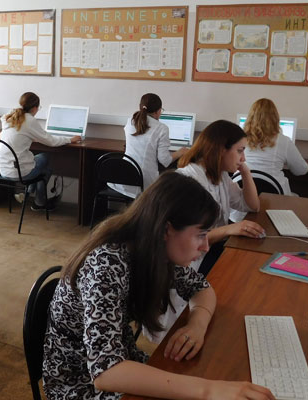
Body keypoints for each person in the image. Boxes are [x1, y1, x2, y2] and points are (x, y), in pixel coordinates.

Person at [43, 171, 274, 400]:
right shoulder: (106, 264)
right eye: (200, 235)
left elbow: (201, 288)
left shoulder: (151, 249)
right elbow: (106, 372)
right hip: (80, 385)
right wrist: (209, 390)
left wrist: (197, 325)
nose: (205, 246)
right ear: (166, 229)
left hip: (123, 362)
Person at [143, 121, 265, 344]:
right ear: (220, 150)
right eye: (240, 151)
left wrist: (245, 171)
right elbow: (181, 239)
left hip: (204, 252)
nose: (243, 157)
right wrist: (229, 228)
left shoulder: (219, 175)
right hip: (189, 259)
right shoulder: (190, 181)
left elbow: (252, 205)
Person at [0, 92, 81, 210]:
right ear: (35, 108)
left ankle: (27, 193)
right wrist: (70, 139)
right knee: (46, 159)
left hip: (4, 170)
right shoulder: (29, 120)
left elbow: (20, 134)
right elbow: (51, 141)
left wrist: (32, 136)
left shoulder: (10, 118)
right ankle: (38, 201)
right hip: (20, 173)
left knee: (39, 161)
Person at [110, 93, 188, 198]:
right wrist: (180, 152)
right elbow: (164, 161)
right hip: (143, 182)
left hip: (123, 179)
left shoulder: (131, 121)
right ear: (158, 111)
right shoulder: (162, 128)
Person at [243, 98, 308, 195]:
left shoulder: (239, 139)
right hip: (274, 195)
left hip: (243, 191)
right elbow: (301, 170)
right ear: (275, 118)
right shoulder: (284, 141)